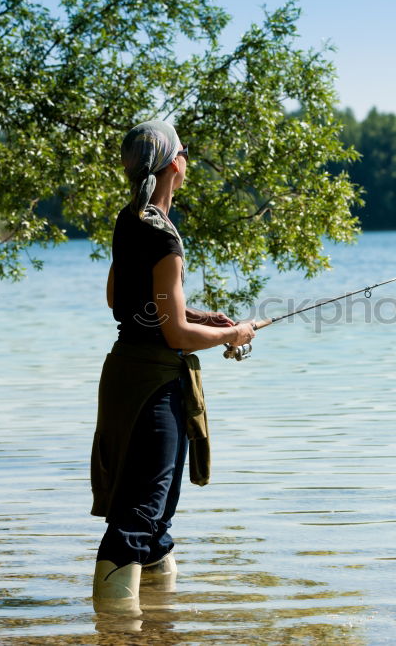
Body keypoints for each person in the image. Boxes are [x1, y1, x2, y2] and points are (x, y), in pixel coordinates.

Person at [90, 120, 255, 615]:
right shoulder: (163, 235)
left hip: (124, 377)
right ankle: (116, 629)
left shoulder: (128, 220)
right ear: (173, 165)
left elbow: (120, 298)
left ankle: (158, 623)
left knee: (155, 517)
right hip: (153, 386)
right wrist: (233, 334)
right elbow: (177, 336)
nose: (187, 163)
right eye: (184, 154)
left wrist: (205, 316)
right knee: (141, 515)